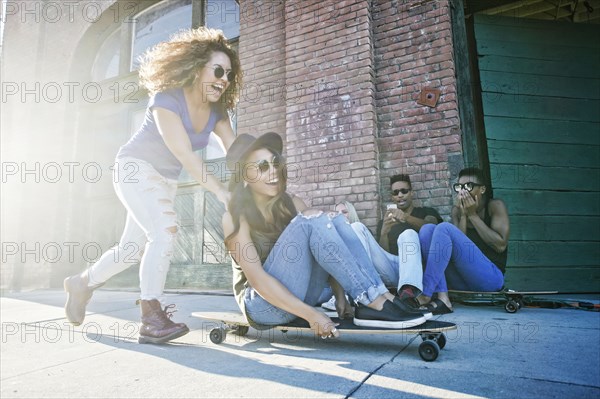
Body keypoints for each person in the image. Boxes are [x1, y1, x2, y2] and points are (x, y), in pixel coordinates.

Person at [63, 28, 241, 344]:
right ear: (197, 67)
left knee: (130, 250)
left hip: (165, 181)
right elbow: (183, 152)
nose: (224, 78)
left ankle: (82, 283)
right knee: (165, 231)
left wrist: (254, 178)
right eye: (217, 70)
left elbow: (235, 151)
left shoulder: (217, 111)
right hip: (135, 169)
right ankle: (151, 317)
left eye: (228, 73)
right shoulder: (167, 98)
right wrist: (221, 191)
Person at [223, 132, 428, 337]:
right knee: (311, 220)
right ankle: (372, 300)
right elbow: (258, 281)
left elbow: (324, 248)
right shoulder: (234, 217)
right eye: (262, 167)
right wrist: (312, 315)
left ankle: (381, 296)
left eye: (275, 162)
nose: (273, 171)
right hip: (262, 305)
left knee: (334, 218)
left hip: (300, 294)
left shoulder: (291, 203)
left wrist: (340, 298)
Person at [415, 167, 509, 314]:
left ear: (482, 189)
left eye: (469, 186)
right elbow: (459, 248)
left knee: (444, 228)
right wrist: (464, 215)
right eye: (459, 187)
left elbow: (500, 246)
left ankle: (426, 293)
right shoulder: (456, 210)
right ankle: (443, 297)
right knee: (427, 229)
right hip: (462, 281)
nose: (463, 191)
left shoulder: (494, 206)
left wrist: (473, 215)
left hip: (490, 279)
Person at [376, 174, 442, 300]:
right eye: (395, 193)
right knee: (358, 228)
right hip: (393, 271)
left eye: (404, 191)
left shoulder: (426, 212)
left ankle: (408, 292)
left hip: (417, 271)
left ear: (411, 193)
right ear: (392, 197)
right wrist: (384, 232)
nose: (400, 195)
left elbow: (435, 229)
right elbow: (383, 254)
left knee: (408, 234)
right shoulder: (384, 222)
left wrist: (406, 217)